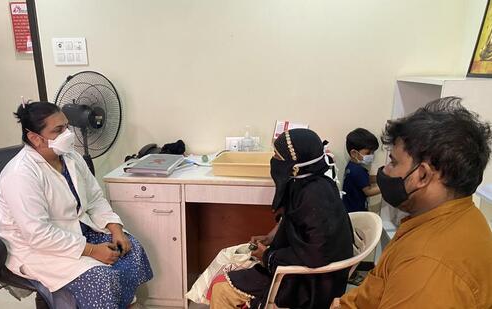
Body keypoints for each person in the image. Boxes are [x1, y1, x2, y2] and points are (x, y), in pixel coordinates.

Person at [332, 97, 492, 308]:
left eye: (393, 162)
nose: (385, 171)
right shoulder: (451, 217)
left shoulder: (427, 268)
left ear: (422, 175)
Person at [0, 101, 153, 309]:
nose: (67, 134)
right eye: (58, 130)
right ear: (35, 138)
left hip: (76, 229)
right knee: (101, 278)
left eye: (67, 127)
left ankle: (125, 304)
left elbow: (95, 198)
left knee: (131, 249)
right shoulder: (20, 174)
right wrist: (91, 251)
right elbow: (37, 234)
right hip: (37, 247)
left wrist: (116, 229)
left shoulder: (70, 157)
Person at [210, 128, 353, 309]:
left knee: (221, 287)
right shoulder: (310, 183)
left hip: (311, 283)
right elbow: (293, 220)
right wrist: (271, 237)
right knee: (225, 264)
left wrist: (268, 256)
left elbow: (317, 254)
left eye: (278, 157)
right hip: (307, 268)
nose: (274, 161)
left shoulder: (313, 195)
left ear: (295, 164)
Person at [342, 128, 380, 213]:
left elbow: (363, 180)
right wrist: (385, 187)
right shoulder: (357, 170)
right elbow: (368, 191)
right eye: (368, 153)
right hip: (356, 211)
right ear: (354, 153)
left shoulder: (352, 166)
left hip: (349, 208)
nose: (371, 156)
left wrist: (380, 178)